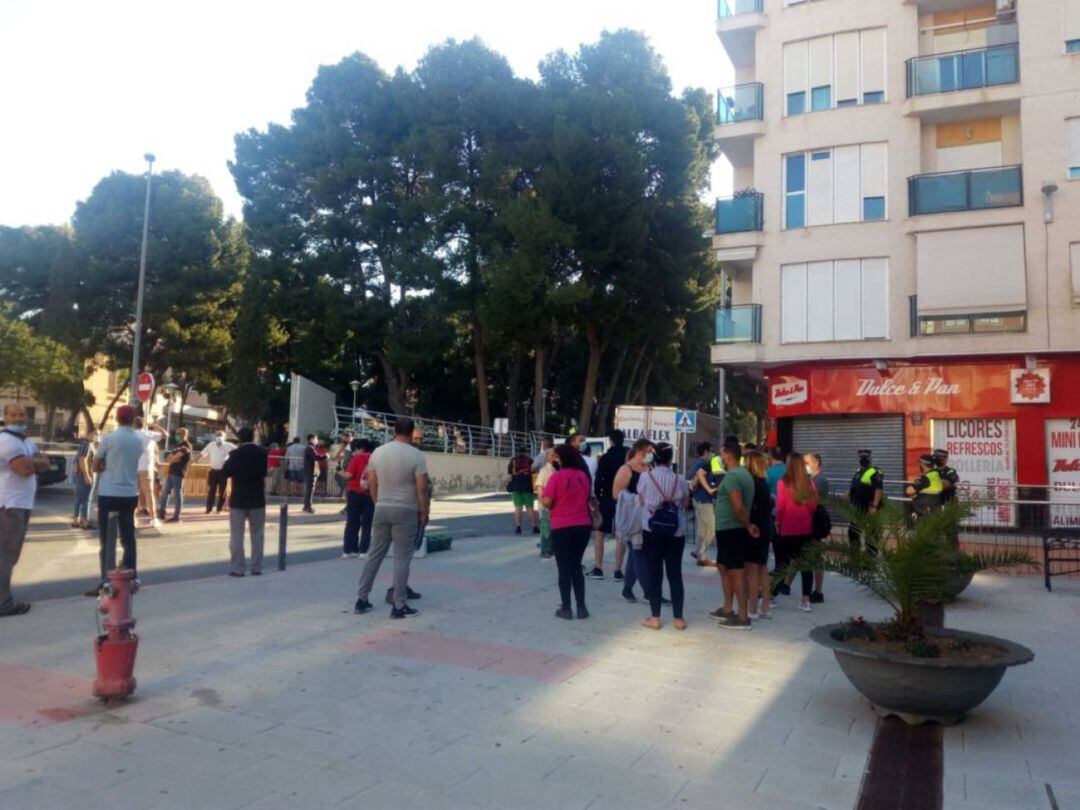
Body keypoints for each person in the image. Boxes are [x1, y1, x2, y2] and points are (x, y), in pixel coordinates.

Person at [353, 418, 428, 619]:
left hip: (382, 508)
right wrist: (424, 512)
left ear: (394, 430)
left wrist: (378, 503)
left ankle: (362, 599)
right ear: (411, 432)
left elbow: (373, 483)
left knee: (374, 554)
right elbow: (421, 488)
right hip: (406, 510)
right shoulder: (416, 456)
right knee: (402, 558)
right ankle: (399, 604)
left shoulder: (378, 452)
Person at [0, 403, 51, 616]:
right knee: (5, 554)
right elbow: (23, 470)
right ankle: (3, 603)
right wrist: (34, 463)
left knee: (10, 554)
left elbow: (45, 463)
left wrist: (34, 463)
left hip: (22, 503)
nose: (19, 418)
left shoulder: (26, 441)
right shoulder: (7, 441)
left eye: (22, 415)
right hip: (10, 504)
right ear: (5, 417)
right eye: (14, 415)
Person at [90, 405, 146, 595]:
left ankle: (106, 580)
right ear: (133, 418)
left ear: (116, 418)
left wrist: (104, 464)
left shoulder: (109, 438)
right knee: (128, 538)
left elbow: (96, 466)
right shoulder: (139, 441)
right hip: (129, 494)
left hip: (109, 493)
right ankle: (132, 576)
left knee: (107, 539)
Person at [637, 442, 690, 631]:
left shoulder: (645, 477)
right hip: (676, 532)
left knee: (655, 573)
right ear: (670, 459)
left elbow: (641, 499)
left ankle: (655, 617)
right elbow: (685, 502)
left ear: (655, 457)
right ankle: (678, 619)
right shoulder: (680, 479)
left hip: (652, 531)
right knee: (675, 573)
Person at [540, 444, 593, 620]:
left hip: (562, 526)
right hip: (582, 525)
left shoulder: (557, 477)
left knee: (564, 568)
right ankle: (582, 607)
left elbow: (547, 502)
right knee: (576, 566)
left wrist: (543, 498)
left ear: (562, 459)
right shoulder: (583, 477)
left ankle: (566, 608)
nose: (554, 459)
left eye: (556, 457)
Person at [712, 440, 759, 630]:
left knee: (736, 571)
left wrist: (747, 525)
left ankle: (742, 616)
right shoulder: (743, 474)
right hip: (728, 529)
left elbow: (738, 506)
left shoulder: (733, 477)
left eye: (722, 455)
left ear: (728, 455)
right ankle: (728, 608)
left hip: (732, 529)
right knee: (724, 567)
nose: (721, 458)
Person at [612, 439, 654, 603]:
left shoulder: (649, 468)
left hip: (647, 518)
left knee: (634, 555)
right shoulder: (626, 469)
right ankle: (649, 592)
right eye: (650, 451)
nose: (652, 454)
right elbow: (616, 494)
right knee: (639, 553)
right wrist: (637, 499)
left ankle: (627, 589)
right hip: (631, 520)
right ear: (641, 451)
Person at [222, 427, 268, 577]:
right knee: (258, 534)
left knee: (236, 535)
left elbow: (225, 472)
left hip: (238, 498)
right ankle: (256, 567)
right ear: (253, 437)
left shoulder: (234, 454)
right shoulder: (262, 454)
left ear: (240, 439)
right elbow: (263, 473)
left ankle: (238, 568)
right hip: (257, 498)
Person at [775, 452, 818, 612]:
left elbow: (780, 505)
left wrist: (778, 521)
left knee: (783, 563)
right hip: (806, 528)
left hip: (788, 528)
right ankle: (805, 600)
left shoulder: (783, 483)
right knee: (806, 565)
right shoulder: (809, 484)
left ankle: (771, 596)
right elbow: (814, 505)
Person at [743, 450, 773, 621]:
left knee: (752, 571)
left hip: (754, 528)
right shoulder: (764, 483)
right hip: (765, 527)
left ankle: (752, 608)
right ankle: (765, 607)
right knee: (762, 568)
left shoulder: (751, 483)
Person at [593, 431, 625, 579]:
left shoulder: (605, 458)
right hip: (623, 499)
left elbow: (598, 479)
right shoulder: (627, 457)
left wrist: (598, 496)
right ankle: (618, 571)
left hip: (606, 497)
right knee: (620, 535)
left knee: (599, 533)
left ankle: (598, 568)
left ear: (611, 441)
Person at [340, 439, 374, 558]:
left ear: (360, 448)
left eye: (355, 450)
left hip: (354, 493)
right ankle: (364, 551)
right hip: (370, 494)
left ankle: (349, 550)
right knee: (367, 523)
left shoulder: (357, 459)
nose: (354, 452)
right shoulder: (375, 459)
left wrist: (339, 472)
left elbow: (348, 475)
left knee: (352, 522)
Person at [847, 449, 884, 551]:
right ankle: (855, 556)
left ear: (870, 458)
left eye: (866, 457)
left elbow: (878, 489)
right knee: (853, 532)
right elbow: (855, 486)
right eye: (862, 457)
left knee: (871, 535)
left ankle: (871, 559)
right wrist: (849, 494)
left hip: (869, 507)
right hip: (858, 507)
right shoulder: (858, 471)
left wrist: (874, 506)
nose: (863, 459)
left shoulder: (875, 471)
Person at [805, 451, 829, 603]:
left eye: (806, 463)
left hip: (814, 522)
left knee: (814, 556)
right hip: (809, 521)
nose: (803, 466)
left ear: (815, 463)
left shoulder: (818, 481)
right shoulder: (812, 479)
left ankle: (818, 590)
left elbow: (813, 501)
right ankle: (785, 584)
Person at [689, 442, 718, 565]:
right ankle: (702, 556)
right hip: (704, 500)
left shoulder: (697, 463)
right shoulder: (704, 464)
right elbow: (697, 478)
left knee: (702, 528)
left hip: (699, 499)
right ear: (706, 451)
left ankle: (698, 551)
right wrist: (694, 486)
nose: (712, 453)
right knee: (710, 529)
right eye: (711, 450)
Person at [194, 429, 236, 514]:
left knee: (222, 491)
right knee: (211, 491)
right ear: (214, 436)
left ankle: (219, 509)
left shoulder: (229, 445)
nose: (219, 437)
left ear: (224, 437)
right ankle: (208, 509)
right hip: (213, 471)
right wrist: (193, 461)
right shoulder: (211, 445)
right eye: (217, 435)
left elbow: (238, 452)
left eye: (220, 435)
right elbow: (202, 454)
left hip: (223, 472)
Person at [134, 417, 166, 526]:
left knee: (134, 494)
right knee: (149, 494)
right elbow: (165, 434)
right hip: (146, 468)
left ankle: (133, 518)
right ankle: (153, 518)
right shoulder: (149, 434)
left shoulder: (131, 434)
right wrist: (154, 425)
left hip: (132, 468)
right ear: (144, 424)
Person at [158, 427, 192, 523]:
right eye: (177, 434)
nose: (177, 436)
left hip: (179, 473)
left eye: (179, 434)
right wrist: (174, 458)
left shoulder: (186, 446)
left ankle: (177, 516)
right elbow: (168, 458)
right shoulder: (177, 446)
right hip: (171, 471)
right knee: (165, 493)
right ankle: (162, 512)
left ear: (184, 435)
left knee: (177, 495)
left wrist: (174, 458)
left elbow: (174, 458)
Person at [411, 425, 433, 554]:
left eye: (420, 439)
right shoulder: (414, 455)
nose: (418, 442)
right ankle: (415, 546)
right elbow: (422, 485)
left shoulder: (418, 455)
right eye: (416, 438)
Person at [507, 450, 539, 535]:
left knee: (518, 508)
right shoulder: (530, 460)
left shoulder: (513, 460)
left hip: (516, 487)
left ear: (517, 452)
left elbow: (510, 473)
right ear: (526, 452)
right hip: (527, 487)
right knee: (529, 508)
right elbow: (534, 472)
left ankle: (518, 528)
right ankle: (534, 527)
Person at [534, 447, 558, 559]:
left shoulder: (556, 470)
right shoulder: (544, 471)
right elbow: (539, 488)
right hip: (546, 504)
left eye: (555, 455)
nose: (554, 457)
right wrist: (542, 502)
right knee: (545, 528)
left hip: (556, 504)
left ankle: (551, 548)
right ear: (548, 457)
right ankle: (544, 550)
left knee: (553, 528)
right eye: (552, 455)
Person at [71, 428, 95, 529]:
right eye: (95, 434)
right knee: (86, 499)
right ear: (89, 434)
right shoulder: (87, 445)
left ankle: (76, 520)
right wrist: (87, 476)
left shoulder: (84, 444)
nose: (96, 437)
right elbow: (82, 460)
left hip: (79, 474)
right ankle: (85, 521)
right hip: (82, 475)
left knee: (79, 499)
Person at [907, 454, 944, 518]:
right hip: (935, 509)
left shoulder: (925, 477)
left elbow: (910, 491)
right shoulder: (936, 474)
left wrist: (913, 493)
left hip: (923, 511)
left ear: (923, 464)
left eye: (920, 463)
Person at [334, 431, 354, 499]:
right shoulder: (347, 445)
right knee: (345, 484)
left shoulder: (352, 444)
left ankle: (347, 504)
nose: (342, 440)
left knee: (348, 486)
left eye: (343, 438)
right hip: (345, 467)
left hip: (349, 468)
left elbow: (350, 457)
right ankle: (347, 504)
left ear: (348, 437)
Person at [301, 434, 318, 513]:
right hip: (309, 471)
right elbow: (316, 457)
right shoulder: (310, 448)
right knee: (309, 489)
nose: (316, 441)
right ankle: (308, 506)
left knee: (309, 489)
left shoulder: (309, 448)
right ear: (311, 439)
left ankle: (306, 506)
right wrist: (326, 456)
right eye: (315, 439)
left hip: (309, 471)